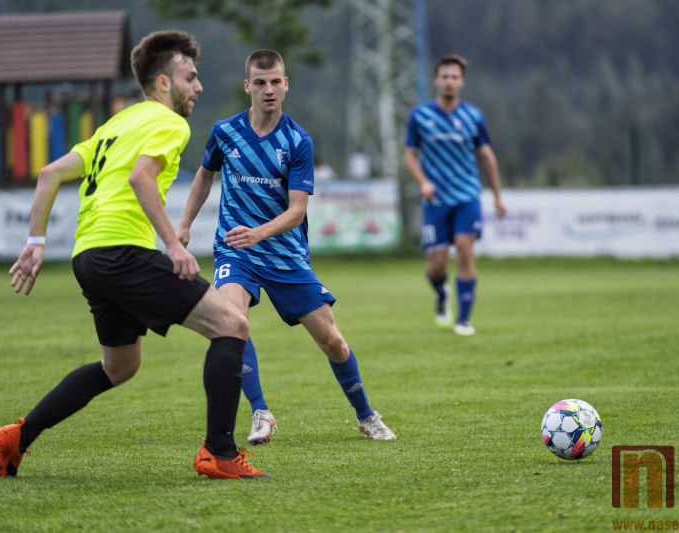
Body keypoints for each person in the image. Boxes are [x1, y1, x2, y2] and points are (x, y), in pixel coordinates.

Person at [0, 31, 267, 480]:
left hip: (88, 257)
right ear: (163, 83)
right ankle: (219, 452)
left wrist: (36, 242)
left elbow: (49, 173)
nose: (198, 87)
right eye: (190, 77)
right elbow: (142, 178)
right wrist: (173, 245)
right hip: (122, 252)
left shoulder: (116, 124)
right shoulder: (170, 124)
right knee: (232, 325)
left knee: (120, 366)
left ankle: (18, 437)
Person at [175, 49, 396, 443]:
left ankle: (366, 416)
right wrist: (184, 225)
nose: (269, 90)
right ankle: (260, 412)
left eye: (275, 82)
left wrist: (259, 233)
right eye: (260, 83)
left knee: (332, 341)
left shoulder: (297, 141)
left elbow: (297, 211)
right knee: (231, 321)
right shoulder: (225, 132)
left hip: (284, 255)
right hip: (236, 251)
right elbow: (205, 176)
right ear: (247, 86)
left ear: (286, 84)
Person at [404, 54, 506, 336]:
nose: (449, 81)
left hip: (466, 196)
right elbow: (410, 155)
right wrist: (423, 182)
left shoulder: (474, 116)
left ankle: (463, 320)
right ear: (436, 80)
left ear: (462, 82)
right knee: (436, 267)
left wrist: (497, 196)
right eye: (445, 76)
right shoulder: (419, 116)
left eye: (455, 77)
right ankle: (441, 292)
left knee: (464, 251)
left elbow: (486, 156)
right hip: (435, 199)